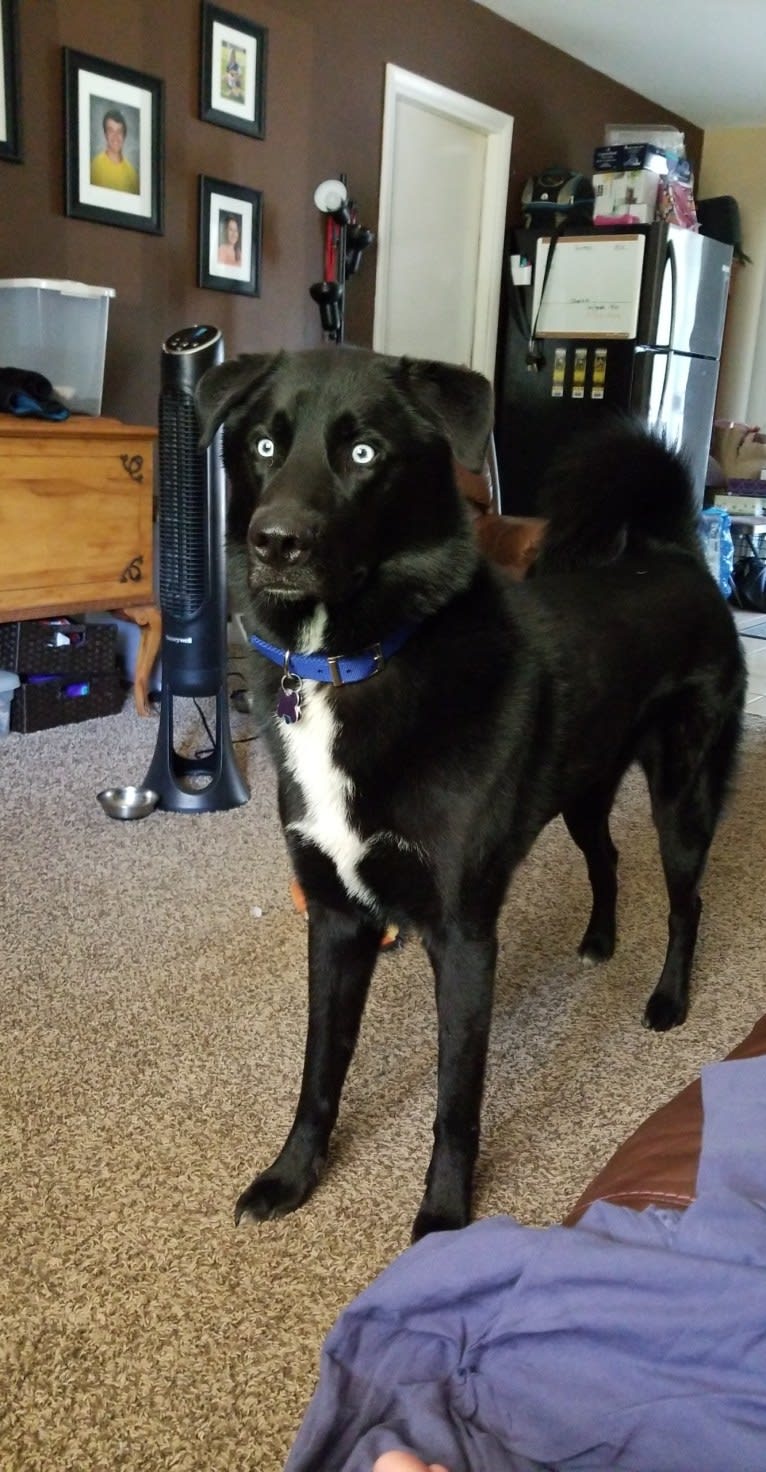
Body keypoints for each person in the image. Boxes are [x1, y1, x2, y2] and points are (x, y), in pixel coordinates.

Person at [90, 108, 139, 194]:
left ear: (124, 135)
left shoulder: (133, 174)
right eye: (111, 131)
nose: (115, 136)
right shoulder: (95, 166)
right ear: (105, 135)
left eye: (119, 131)